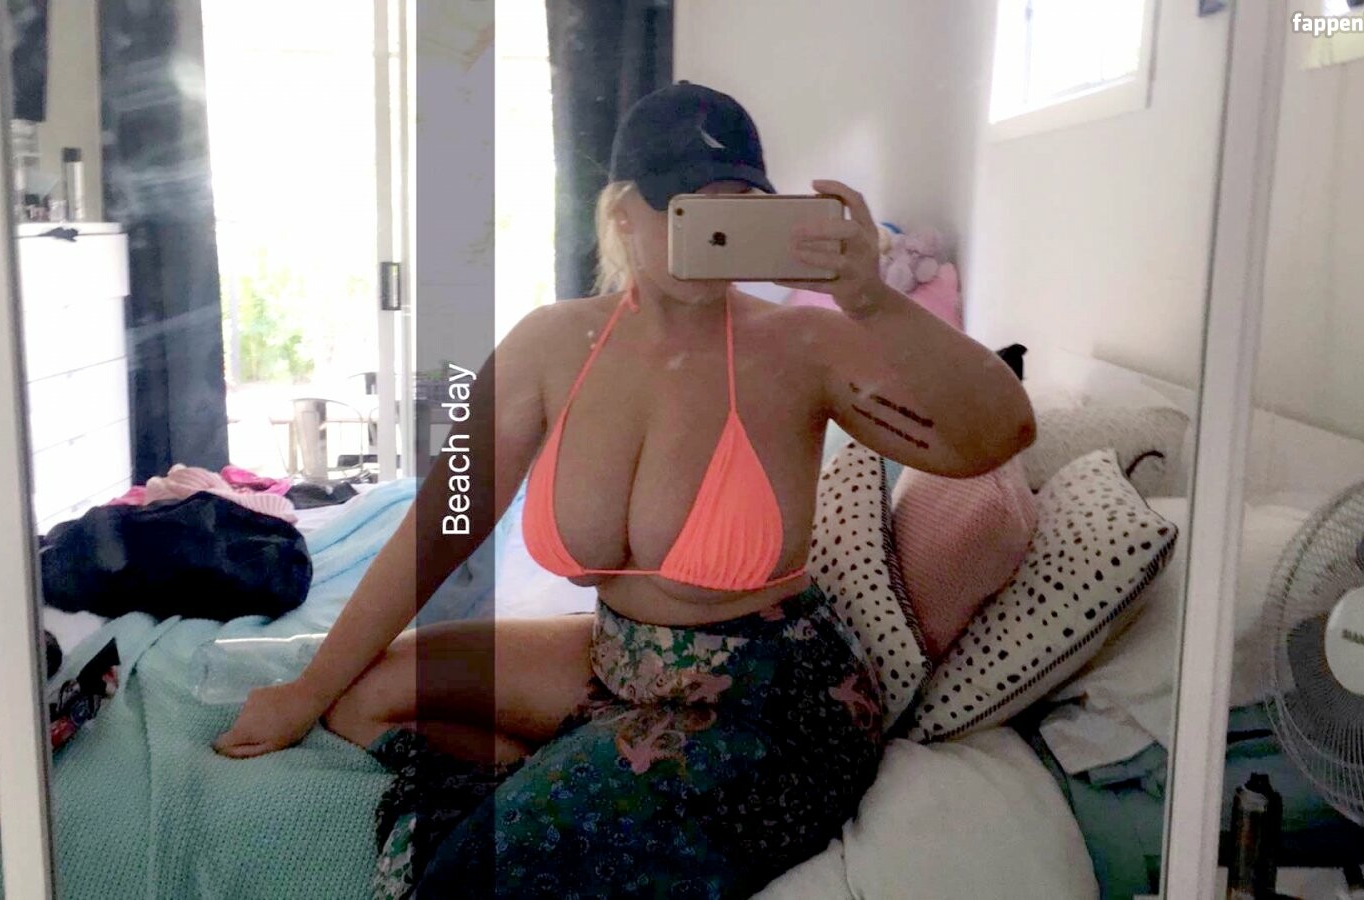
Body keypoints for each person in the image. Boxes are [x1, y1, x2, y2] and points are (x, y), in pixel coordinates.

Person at [214, 82, 1035, 897]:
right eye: (682, 204)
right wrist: (305, 689)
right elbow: (444, 522)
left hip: (769, 700)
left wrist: (873, 301)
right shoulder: (550, 345)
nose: (706, 227)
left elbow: (996, 435)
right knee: (365, 698)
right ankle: (567, 783)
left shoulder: (804, 345)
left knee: (479, 874)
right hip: (616, 661)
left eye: (733, 204)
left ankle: (559, 806)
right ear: (621, 212)